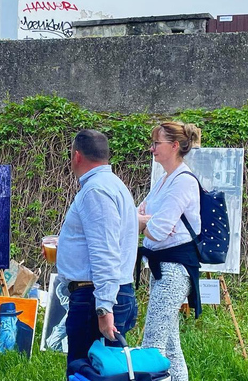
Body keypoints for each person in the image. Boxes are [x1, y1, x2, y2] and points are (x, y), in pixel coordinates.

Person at [56, 129, 138, 367]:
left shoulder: (96, 191)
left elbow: (105, 251)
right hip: (106, 292)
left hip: (95, 296)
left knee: (85, 371)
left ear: (77, 156)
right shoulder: (112, 185)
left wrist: (104, 308)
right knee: (104, 371)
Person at [136, 123, 202, 381]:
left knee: (152, 345)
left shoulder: (183, 182)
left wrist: (145, 222)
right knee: (170, 346)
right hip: (162, 267)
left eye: (157, 143)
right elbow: (141, 216)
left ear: (174, 146)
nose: (152, 148)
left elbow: (158, 230)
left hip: (175, 269)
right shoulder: (164, 180)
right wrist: (146, 222)